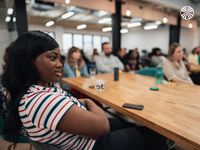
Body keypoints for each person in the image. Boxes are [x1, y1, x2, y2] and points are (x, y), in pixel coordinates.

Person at [1, 31, 169, 150]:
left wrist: (76, 104)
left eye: (60, 58)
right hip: (93, 144)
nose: (60, 64)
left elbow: (62, 104)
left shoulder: (42, 88)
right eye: (52, 58)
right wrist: (88, 102)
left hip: (82, 135)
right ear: (28, 62)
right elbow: (102, 126)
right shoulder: (40, 100)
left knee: (127, 123)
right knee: (155, 134)